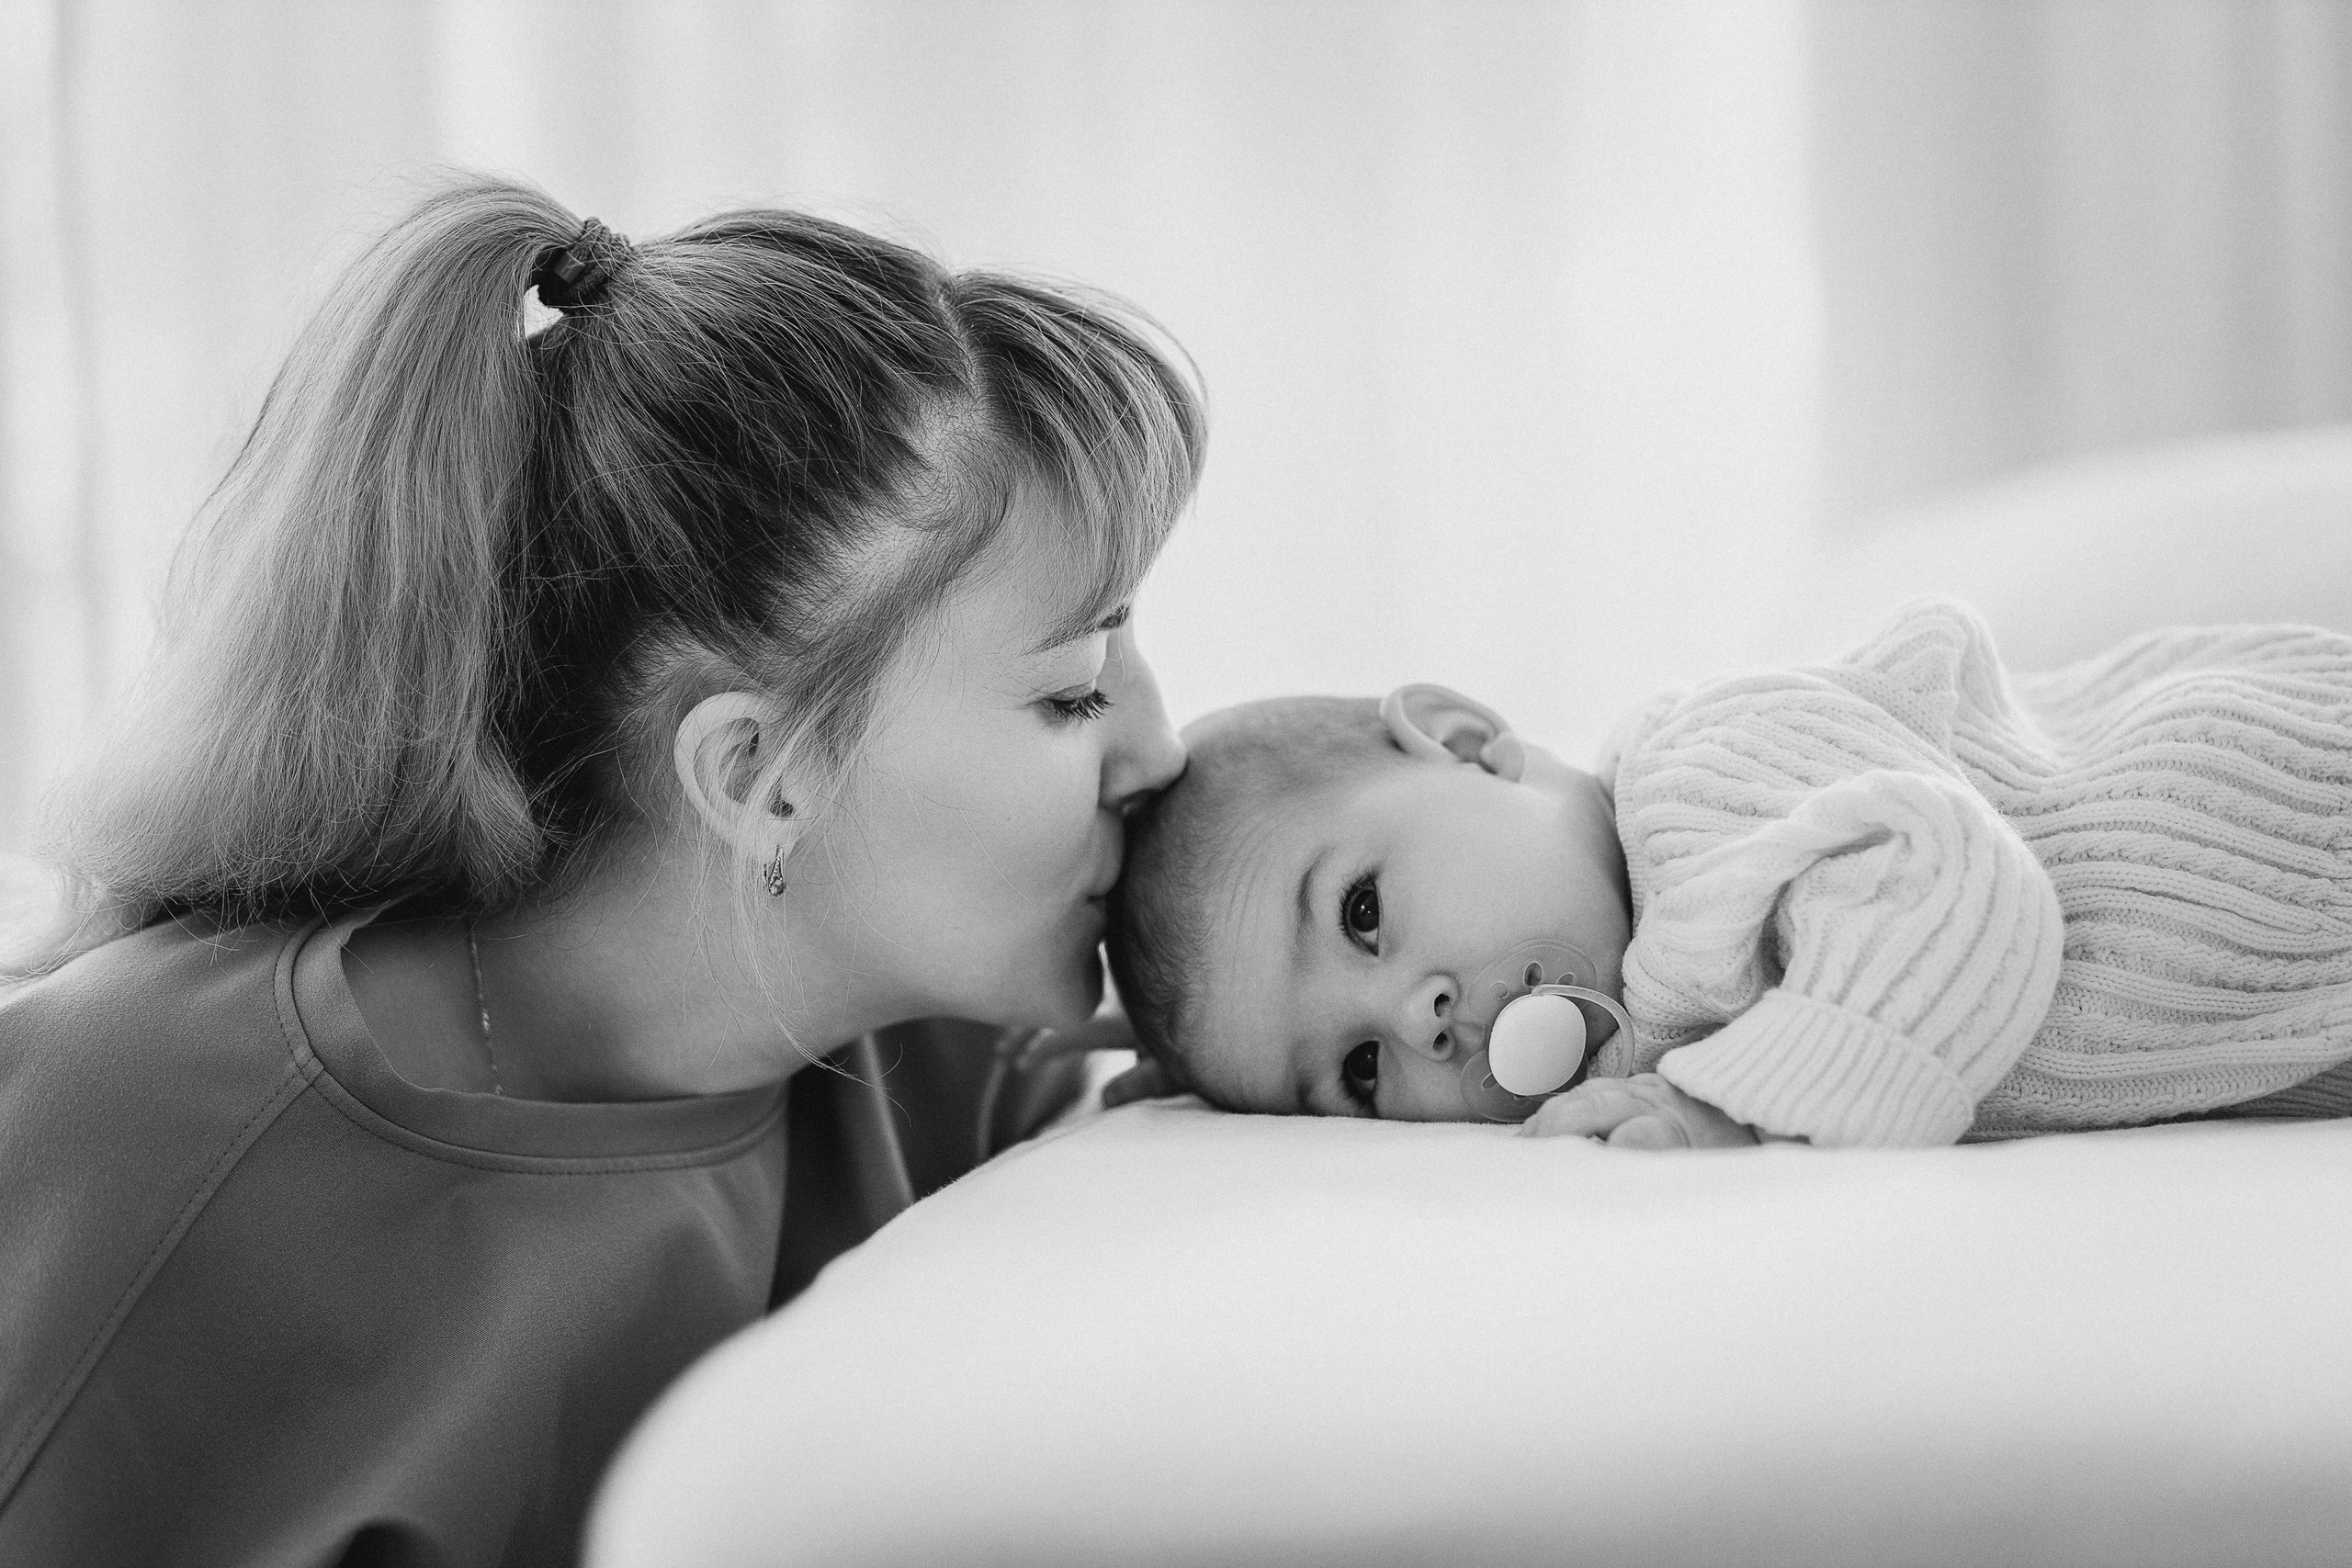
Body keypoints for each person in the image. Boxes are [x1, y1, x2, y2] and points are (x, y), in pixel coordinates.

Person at [0, 177, 1202, 1567]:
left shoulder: (955, 1068)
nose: (1159, 750)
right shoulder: (132, 1133)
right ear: (757, 774)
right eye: (1072, 691)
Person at [1103, 598, 2352, 1146]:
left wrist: (1744, 1111)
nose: (1417, 1019)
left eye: (1362, 913)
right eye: (1357, 1072)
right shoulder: (1642, 1023)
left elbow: (1952, 878)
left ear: (1466, 742)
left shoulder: (1701, 777)